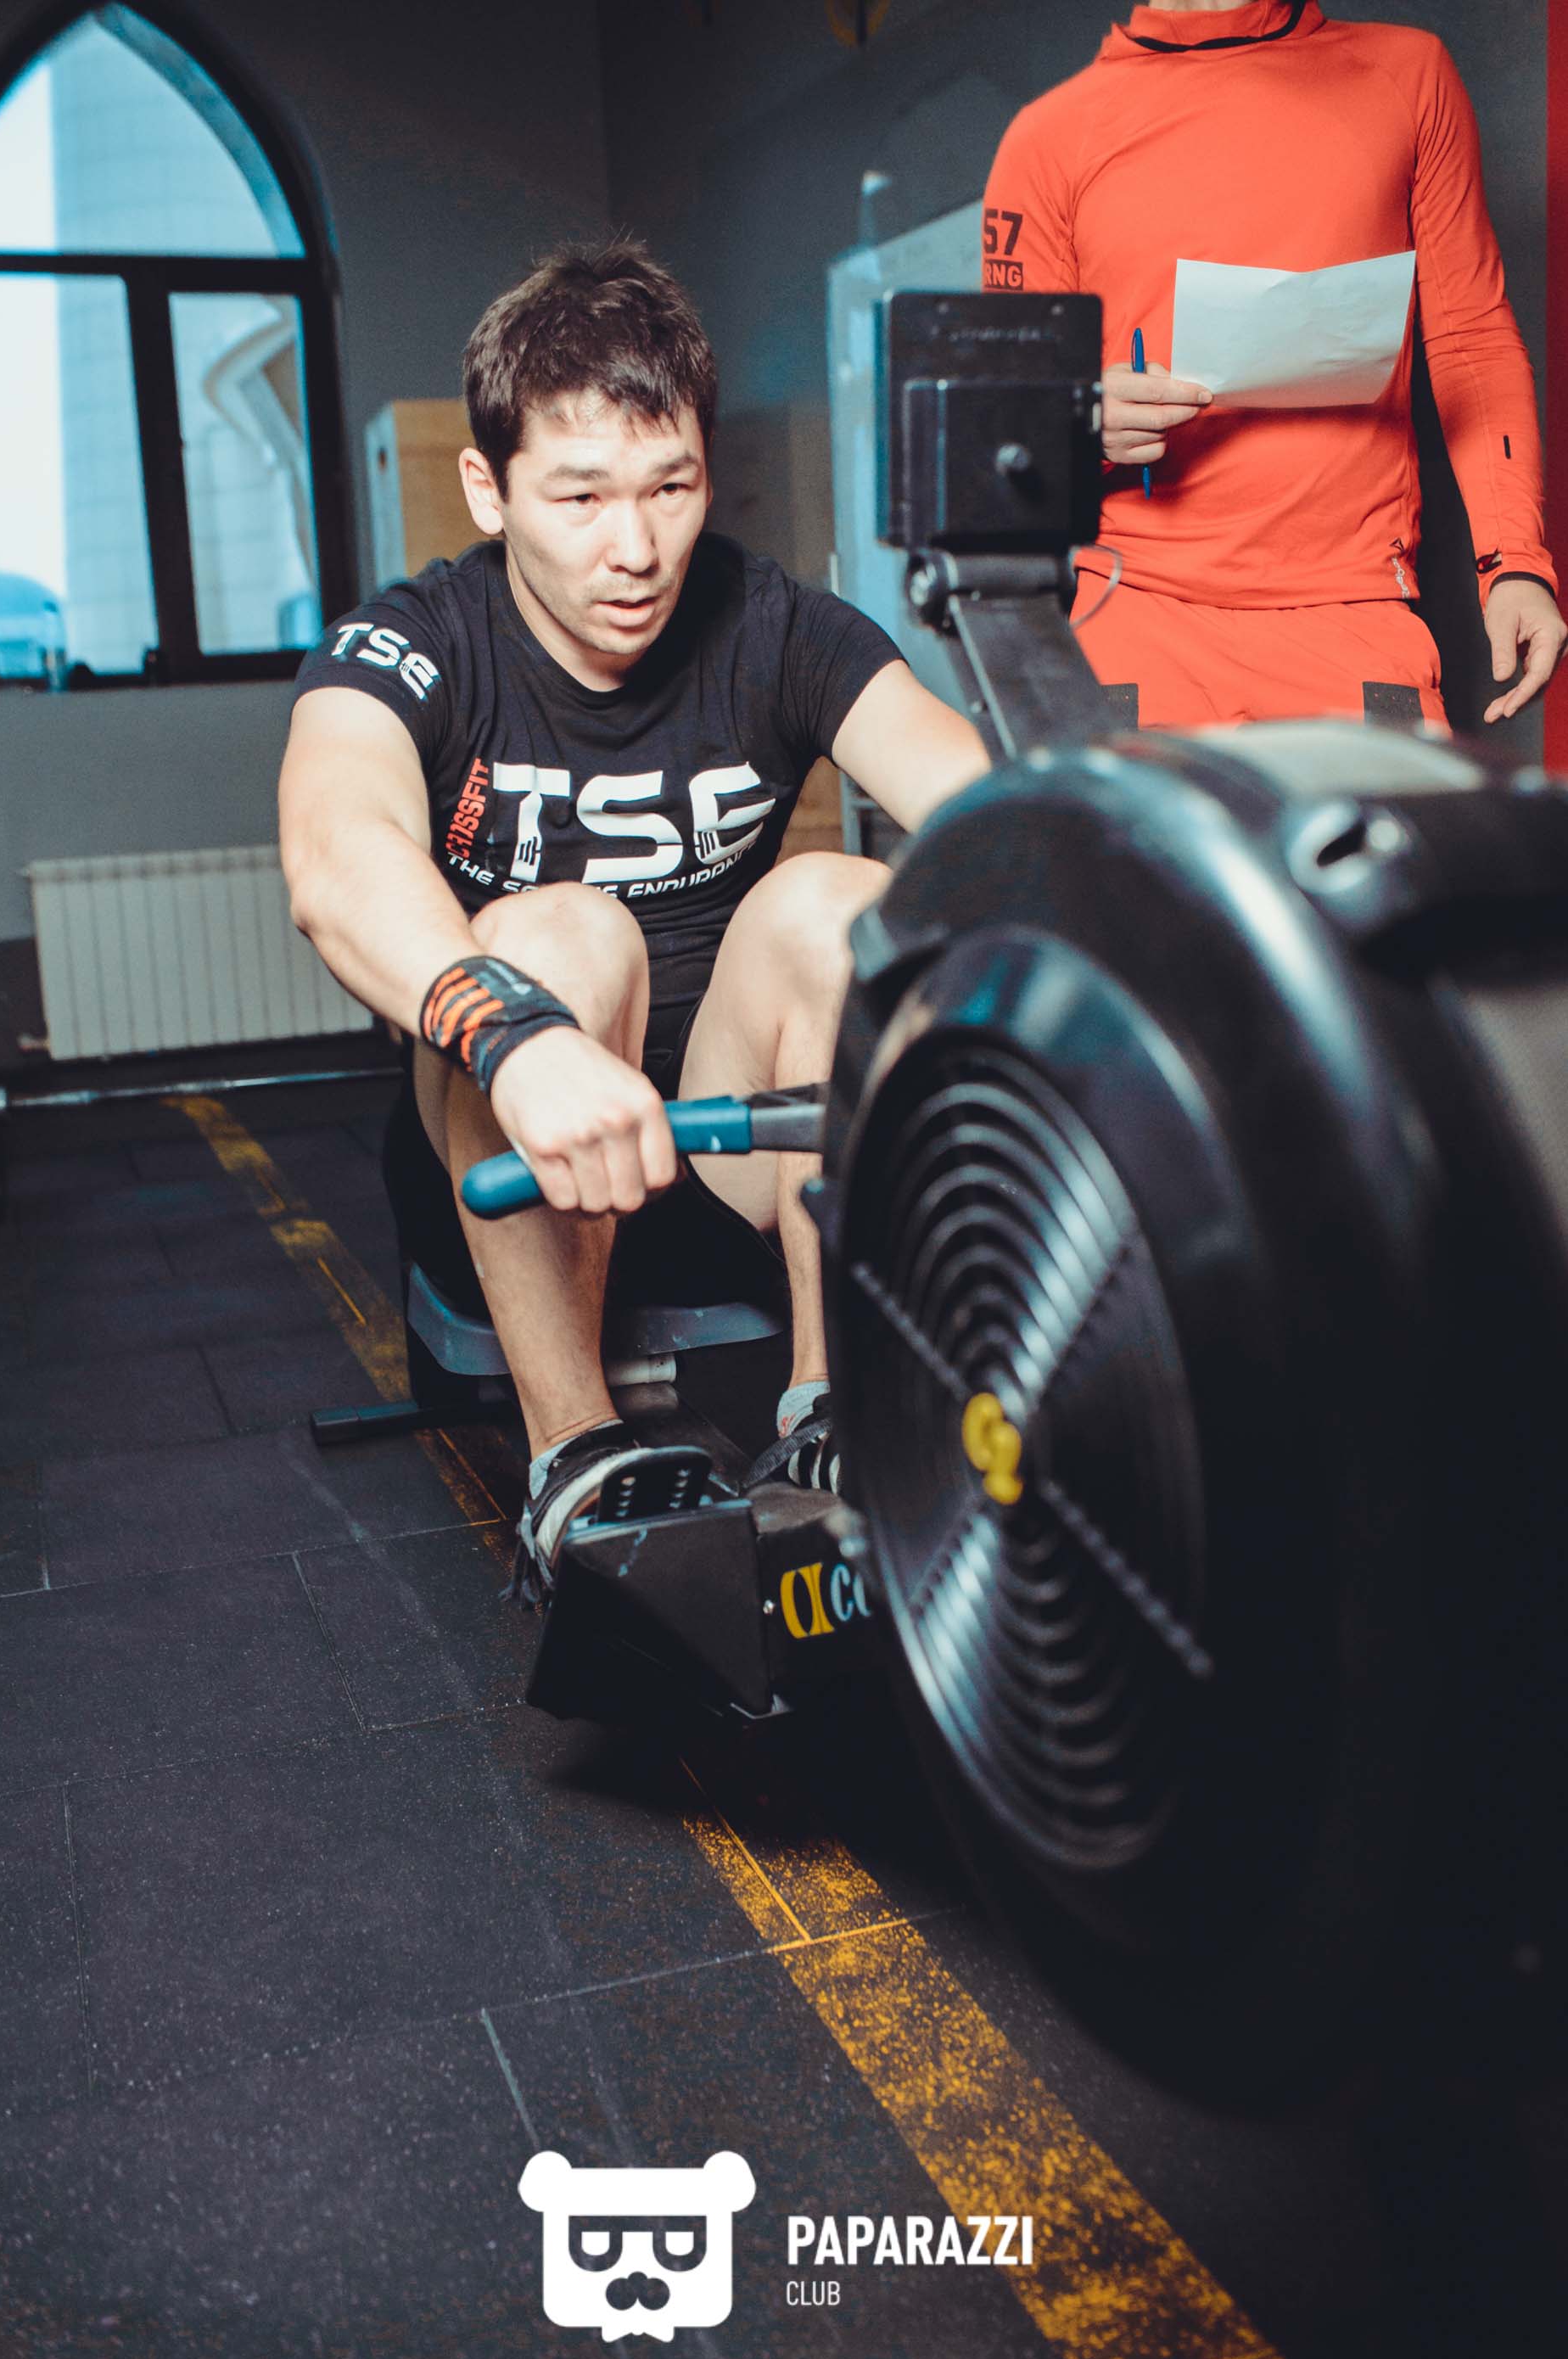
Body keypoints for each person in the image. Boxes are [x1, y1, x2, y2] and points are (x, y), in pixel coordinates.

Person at [280, 240, 987, 1599]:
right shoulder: (417, 640)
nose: (637, 549)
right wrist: (516, 1038)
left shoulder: (779, 627)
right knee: (560, 935)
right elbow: (335, 851)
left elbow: (984, 815)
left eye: (671, 487)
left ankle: (834, 1413)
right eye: (580, 496)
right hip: (507, 1149)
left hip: (725, 1154)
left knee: (838, 900)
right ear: (489, 490)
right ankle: (573, 1454)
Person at [983, 0, 1565, 732]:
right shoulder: (1047, 137)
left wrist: (1514, 561)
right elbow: (1003, 426)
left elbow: (1469, 337)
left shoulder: (1404, 73)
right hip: (1135, 612)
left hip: (1351, 611)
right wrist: (1077, 420)